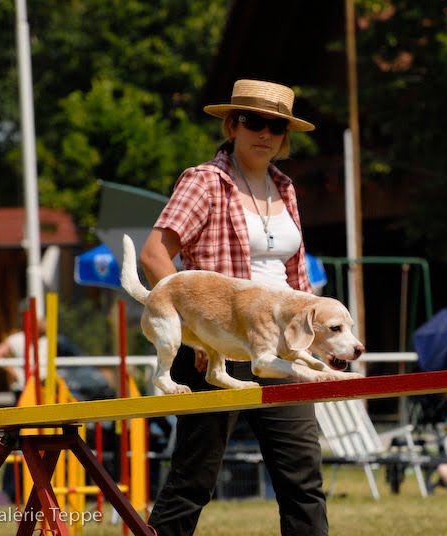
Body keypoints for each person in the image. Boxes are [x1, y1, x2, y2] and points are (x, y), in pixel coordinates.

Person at [140, 78, 327, 536]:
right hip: (217, 345)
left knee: (303, 478)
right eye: (253, 121)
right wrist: (194, 333)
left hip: (280, 350)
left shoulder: (285, 188)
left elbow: (298, 282)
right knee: (194, 480)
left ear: (286, 136)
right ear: (231, 124)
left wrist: (311, 345)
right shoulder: (205, 181)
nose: (265, 133)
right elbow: (152, 255)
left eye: (277, 126)